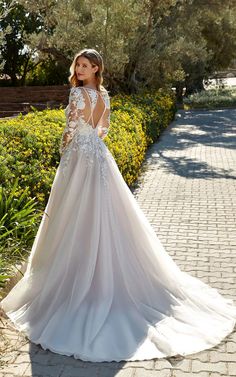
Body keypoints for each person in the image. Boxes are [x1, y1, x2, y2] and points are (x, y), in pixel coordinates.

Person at [1, 48, 236, 363]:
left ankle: (79, 281)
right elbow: (104, 129)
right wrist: (93, 141)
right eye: (78, 65)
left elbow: (69, 129)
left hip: (79, 157)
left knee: (75, 215)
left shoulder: (77, 94)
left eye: (85, 65)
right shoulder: (104, 96)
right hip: (98, 154)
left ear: (96, 68)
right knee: (102, 213)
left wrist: (65, 151)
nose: (80, 68)